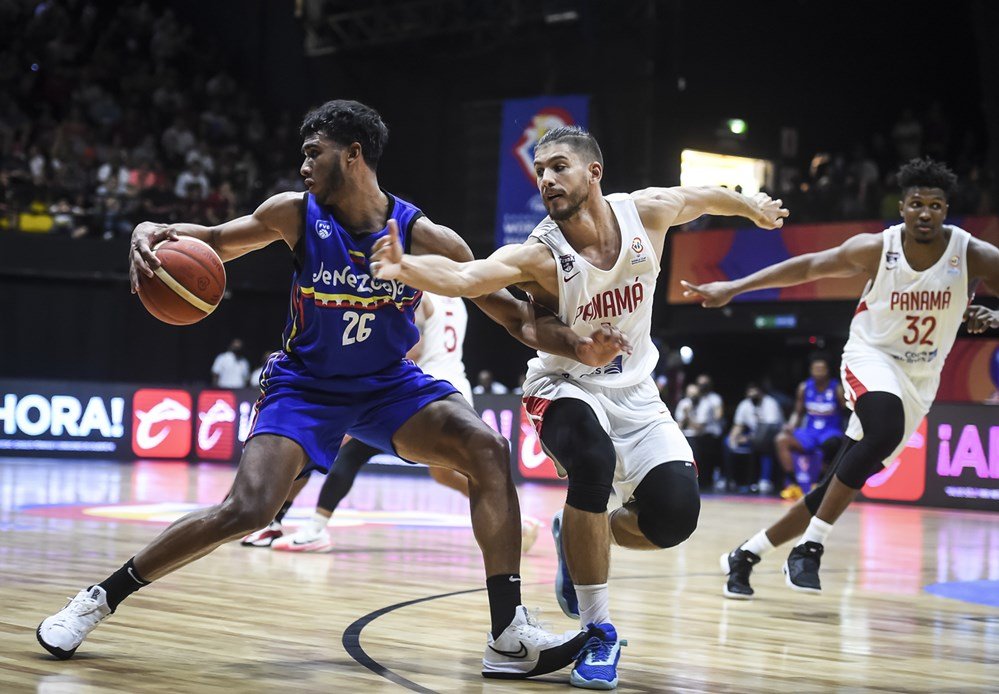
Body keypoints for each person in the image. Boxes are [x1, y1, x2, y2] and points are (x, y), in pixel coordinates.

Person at [38, 101, 633, 679]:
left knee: (486, 448)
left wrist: (579, 345)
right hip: (306, 386)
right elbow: (214, 239)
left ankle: (508, 634)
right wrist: (151, 229)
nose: (303, 166)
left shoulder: (426, 237)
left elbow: (514, 318)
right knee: (249, 509)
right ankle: (98, 598)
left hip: (388, 386)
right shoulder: (294, 214)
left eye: (312, 153)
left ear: (352, 155)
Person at [368, 124, 788, 689]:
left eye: (558, 166)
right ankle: (598, 631)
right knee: (591, 459)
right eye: (540, 170)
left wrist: (752, 206)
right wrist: (406, 268)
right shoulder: (541, 253)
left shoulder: (647, 213)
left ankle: (581, 535)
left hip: (636, 394)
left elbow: (705, 196)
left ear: (594, 172)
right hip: (563, 384)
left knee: (674, 519)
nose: (546, 178)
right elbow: (469, 277)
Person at [681, 158, 999, 599]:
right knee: (883, 427)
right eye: (916, 204)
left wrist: (994, 316)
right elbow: (809, 266)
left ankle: (746, 554)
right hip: (871, 356)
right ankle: (809, 548)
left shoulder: (974, 254)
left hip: (921, 378)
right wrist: (733, 287)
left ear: (947, 210)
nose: (925, 213)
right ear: (902, 208)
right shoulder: (878, 248)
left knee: (834, 486)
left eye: (935, 205)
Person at [240, 292, 542, 554]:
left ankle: (314, 529)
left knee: (351, 452)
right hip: (456, 388)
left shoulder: (422, 293)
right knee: (445, 474)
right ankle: (517, 518)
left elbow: (415, 348)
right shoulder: (457, 300)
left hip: (424, 392)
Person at [774, 354, 845, 500]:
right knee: (781, 439)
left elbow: (847, 410)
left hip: (830, 432)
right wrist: (791, 425)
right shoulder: (804, 387)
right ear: (811, 370)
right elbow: (798, 413)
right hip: (810, 433)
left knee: (831, 444)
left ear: (827, 370)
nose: (818, 372)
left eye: (821, 369)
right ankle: (793, 484)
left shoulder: (836, 388)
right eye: (815, 369)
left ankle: (819, 484)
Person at [724, 383, 784, 493]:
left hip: (771, 434)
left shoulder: (770, 403)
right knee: (727, 442)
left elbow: (768, 429)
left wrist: (747, 438)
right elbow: (739, 425)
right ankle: (730, 479)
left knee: (764, 445)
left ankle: (765, 480)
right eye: (750, 393)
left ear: (761, 392)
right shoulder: (745, 404)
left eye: (755, 393)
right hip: (752, 435)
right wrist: (733, 437)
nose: (752, 396)